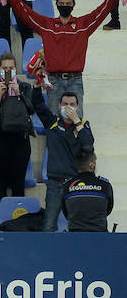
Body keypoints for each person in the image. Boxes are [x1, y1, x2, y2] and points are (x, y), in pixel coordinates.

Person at [9, 0, 114, 108]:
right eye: (62, 4)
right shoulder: (47, 25)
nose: (65, 7)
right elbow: (25, 13)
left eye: (68, 4)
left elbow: (102, 11)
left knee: (76, 121)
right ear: (57, 4)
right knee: (54, 122)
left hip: (75, 80)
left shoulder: (83, 25)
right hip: (54, 80)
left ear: (74, 5)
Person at [32, 88, 94, 232]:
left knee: (77, 225)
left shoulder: (83, 125)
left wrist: (77, 122)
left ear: (77, 107)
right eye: (65, 104)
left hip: (76, 183)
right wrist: (37, 86)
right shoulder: (52, 122)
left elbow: (89, 146)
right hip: (55, 183)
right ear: (59, 106)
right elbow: (38, 104)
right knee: (49, 225)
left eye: (72, 104)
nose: (68, 107)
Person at [0, 52, 37, 212]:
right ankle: (1, 222)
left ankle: (17, 223)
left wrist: (19, 94)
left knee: (18, 183)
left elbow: (32, 109)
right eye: (4, 68)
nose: (7, 71)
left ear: (16, 69)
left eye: (11, 68)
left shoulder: (26, 87)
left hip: (20, 139)